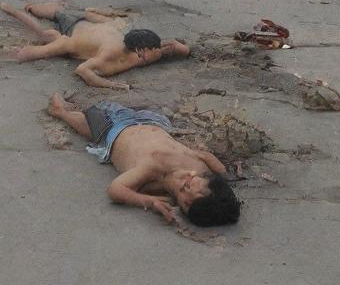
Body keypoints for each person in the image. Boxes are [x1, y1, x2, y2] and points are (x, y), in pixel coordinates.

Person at [47, 93, 240, 226]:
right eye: (194, 180)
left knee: (94, 119)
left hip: (115, 129)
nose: (185, 179)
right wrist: (226, 175)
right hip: (154, 122)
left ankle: (61, 112)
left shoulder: (153, 172)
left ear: (182, 205)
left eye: (183, 191)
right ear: (207, 178)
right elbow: (206, 156)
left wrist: (148, 201)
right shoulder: (198, 166)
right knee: (146, 106)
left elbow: (115, 190)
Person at [0, 1, 190, 90]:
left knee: (80, 17)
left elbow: (177, 47)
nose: (158, 52)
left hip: (99, 24)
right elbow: (83, 70)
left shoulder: (146, 46)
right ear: (141, 51)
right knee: (53, 24)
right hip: (74, 31)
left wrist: (177, 47)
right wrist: (113, 85)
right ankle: (21, 9)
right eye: (153, 50)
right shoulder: (111, 55)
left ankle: (71, 10)